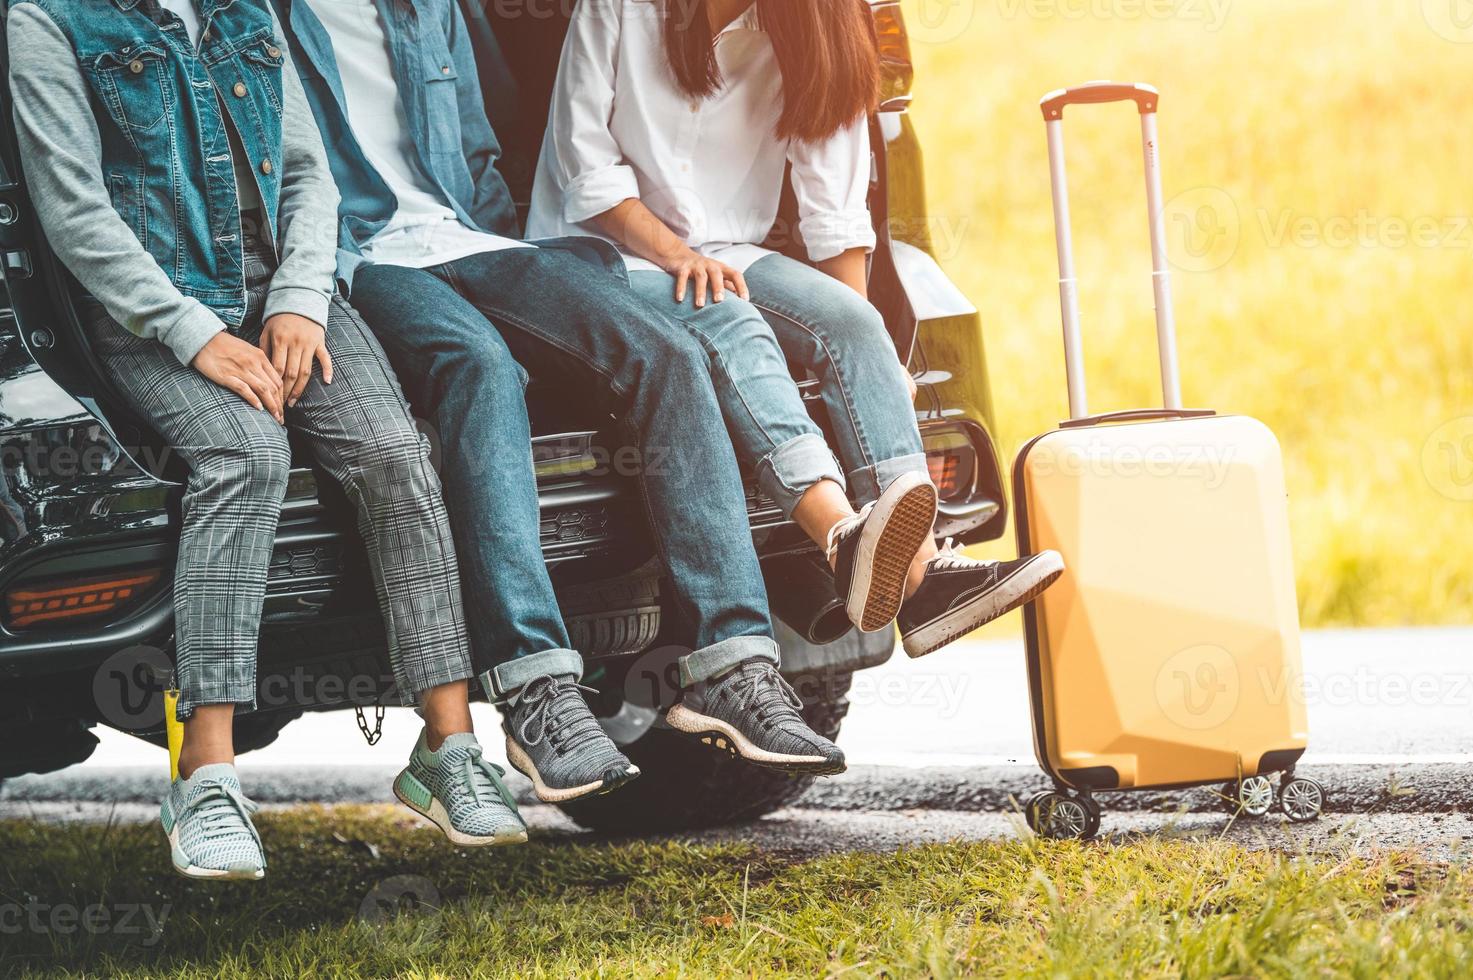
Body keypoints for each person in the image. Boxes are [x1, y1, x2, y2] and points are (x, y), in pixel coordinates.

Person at [269, 0, 883, 777]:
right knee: (479, 364)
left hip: (468, 237)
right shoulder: (255, 18)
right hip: (357, 258)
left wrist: (506, 258)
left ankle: (730, 666)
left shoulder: (428, 8)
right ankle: (534, 690)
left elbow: (476, 143)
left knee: (665, 350)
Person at [8, 0, 528, 878]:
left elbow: (305, 174)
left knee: (394, 456)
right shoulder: (46, 20)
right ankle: (206, 779)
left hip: (278, 290)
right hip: (150, 312)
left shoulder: (246, 10)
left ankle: (448, 750)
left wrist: (297, 299)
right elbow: (73, 212)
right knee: (247, 454)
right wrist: (192, 332)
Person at [529, 0, 1065, 658]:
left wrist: (866, 345)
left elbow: (833, 207)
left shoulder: (819, 19)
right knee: (724, 312)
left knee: (851, 321)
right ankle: (840, 539)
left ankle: (921, 579)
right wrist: (676, 255)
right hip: (594, 250)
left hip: (724, 248)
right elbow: (583, 169)